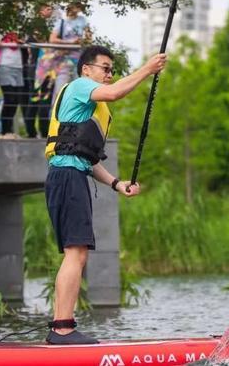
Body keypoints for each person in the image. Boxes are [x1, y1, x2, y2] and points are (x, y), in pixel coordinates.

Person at [44, 45, 166, 345]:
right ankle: (62, 329)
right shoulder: (81, 86)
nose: (109, 74)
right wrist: (147, 69)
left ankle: (62, 328)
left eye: (112, 70)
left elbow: (89, 159)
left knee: (78, 253)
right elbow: (114, 93)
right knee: (76, 253)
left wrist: (116, 184)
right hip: (66, 178)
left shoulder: (92, 108)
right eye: (105, 68)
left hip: (73, 176)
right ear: (87, 69)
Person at [25, 3, 59, 138]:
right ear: (40, 10)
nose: (50, 11)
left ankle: (38, 132)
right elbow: (41, 41)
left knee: (40, 101)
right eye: (47, 8)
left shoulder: (44, 25)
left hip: (45, 68)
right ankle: (36, 132)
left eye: (51, 9)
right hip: (38, 68)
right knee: (38, 101)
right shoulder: (36, 23)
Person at [0, 32, 26, 139]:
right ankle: (4, 131)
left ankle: (9, 130)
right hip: (4, 65)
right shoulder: (1, 26)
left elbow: (25, 42)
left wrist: (20, 41)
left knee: (16, 100)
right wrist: (8, 42)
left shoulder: (20, 28)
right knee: (9, 98)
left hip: (18, 66)